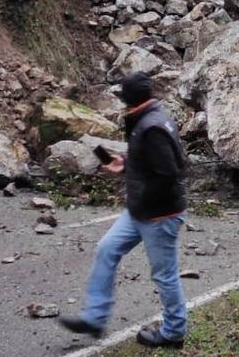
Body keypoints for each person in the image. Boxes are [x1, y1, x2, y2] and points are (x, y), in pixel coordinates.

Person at [59, 72, 188, 349]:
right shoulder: (148, 119)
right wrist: (124, 163)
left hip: (159, 214)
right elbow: (149, 160)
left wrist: (146, 201)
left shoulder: (152, 126)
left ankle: (174, 332)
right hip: (140, 211)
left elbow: (169, 172)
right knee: (107, 249)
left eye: (122, 97)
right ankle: (95, 317)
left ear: (130, 99)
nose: (120, 102)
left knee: (164, 275)